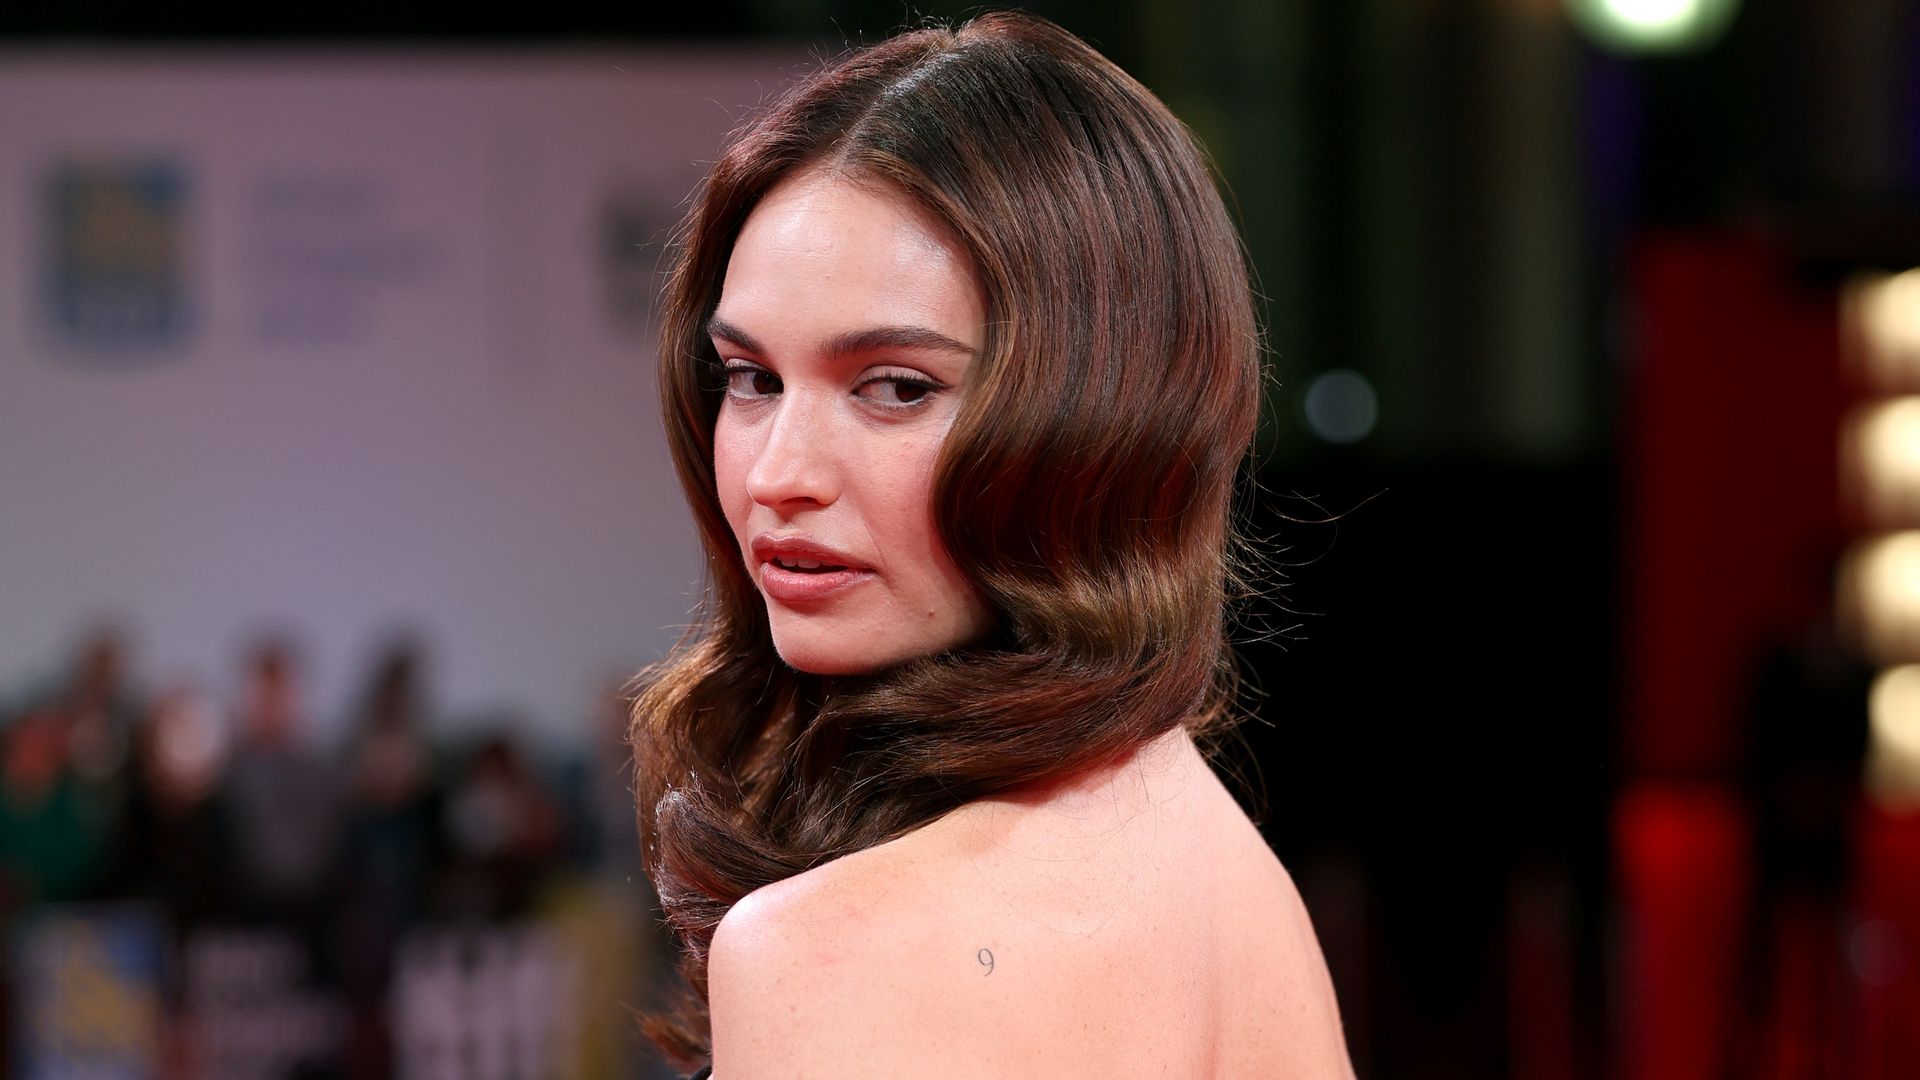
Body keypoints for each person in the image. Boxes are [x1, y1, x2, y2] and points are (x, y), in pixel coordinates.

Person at [628, 12, 1354, 1078]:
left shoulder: (830, 952)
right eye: (753, 379)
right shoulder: (1224, 872)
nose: (781, 472)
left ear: (1106, 416)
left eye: (895, 388)